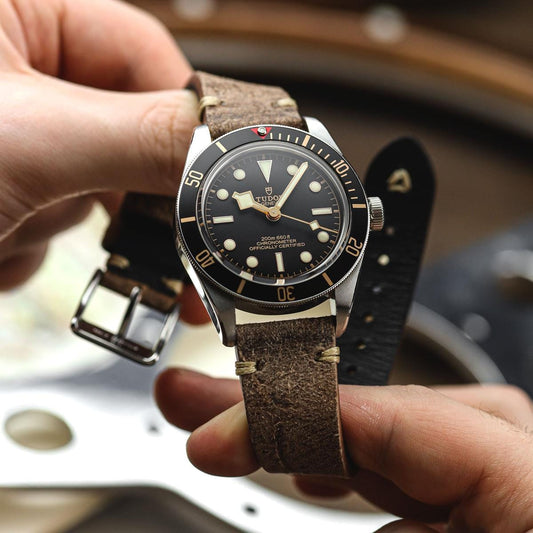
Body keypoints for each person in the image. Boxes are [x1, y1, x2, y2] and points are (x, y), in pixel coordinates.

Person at [1, 1, 531, 531]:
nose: (274, 214)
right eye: (265, 210)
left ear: (365, 214)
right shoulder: (197, 177)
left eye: (280, 208)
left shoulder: (317, 181)